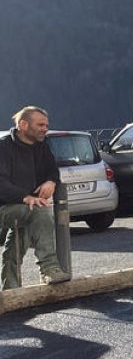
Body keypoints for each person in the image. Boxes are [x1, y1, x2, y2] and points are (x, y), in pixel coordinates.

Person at [0, 106, 71, 288]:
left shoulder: (42, 146)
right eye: (40, 124)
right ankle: (48, 267)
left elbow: (52, 171)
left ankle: (10, 290)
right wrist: (25, 197)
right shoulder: (3, 147)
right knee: (39, 211)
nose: (45, 128)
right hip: (5, 207)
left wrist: (51, 182)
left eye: (46, 125)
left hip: (26, 207)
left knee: (19, 240)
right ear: (23, 124)